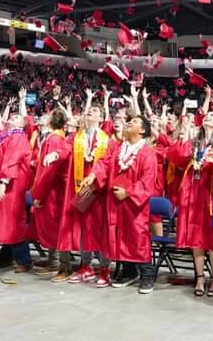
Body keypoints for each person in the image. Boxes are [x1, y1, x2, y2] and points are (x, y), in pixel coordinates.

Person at [82, 115, 157, 294]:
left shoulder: (147, 153)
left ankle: (147, 275)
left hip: (134, 206)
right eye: (129, 121)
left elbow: (148, 181)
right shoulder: (117, 148)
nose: (129, 123)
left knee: (137, 238)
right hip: (115, 201)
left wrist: (129, 192)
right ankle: (128, 273)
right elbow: (104, 163)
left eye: (135, 122)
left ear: (143, 131)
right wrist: (93, 175)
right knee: (119, 237)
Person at [169, 108, 213, 297]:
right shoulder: (195, 142)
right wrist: (184, 131)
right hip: (194, 194)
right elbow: (178, 158)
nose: (208, 116)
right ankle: (199, 278)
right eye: (207, 115)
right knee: (195, 237)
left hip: (212, 194)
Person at [57, 89, 112, 286]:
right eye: (89, 111)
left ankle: (105, 268)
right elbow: (64, 149)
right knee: (82, 228)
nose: (90, 113)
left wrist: (95, 175)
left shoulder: (107, 140)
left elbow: (107, 162)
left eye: (95, 112)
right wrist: (54, 155)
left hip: (99, 191)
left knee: (100, 228)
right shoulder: (76, 137)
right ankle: (86, 265)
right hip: (81, 189)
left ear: (101, 117)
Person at [0, 91, 34, 274]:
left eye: (17, 117)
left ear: (22, 123)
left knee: (14, 221)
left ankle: (24, 260)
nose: (12, 118)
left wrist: (3, 182)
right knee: (8, 222)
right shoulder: (7, 136)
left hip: (12, 185)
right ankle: (7, 258)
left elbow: (12, 160)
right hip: (7, 183)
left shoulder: (19, 137)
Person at [30, 108, 72, 280]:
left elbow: (49, 172)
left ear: (49, 122)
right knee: (56, 227)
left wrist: (39, 194)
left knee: (57, 228)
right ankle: (54, 261)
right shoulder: (59, 138)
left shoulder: (53, 140)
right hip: (55, 190)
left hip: (53, 191)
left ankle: (64, 266)